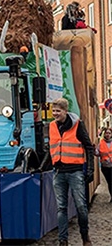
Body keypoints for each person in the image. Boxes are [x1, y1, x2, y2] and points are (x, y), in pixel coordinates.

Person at [49, 98, 93, 246]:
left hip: (75, 172)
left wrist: (90, 169)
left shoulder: (77, 125)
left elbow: (89, 146)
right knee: (61, 208)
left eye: (58, 111)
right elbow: (53, 147)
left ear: (65, 111)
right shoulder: (52, 126)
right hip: (59, 172)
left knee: (81, 206)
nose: (55, 114)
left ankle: (85, 237)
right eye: (53, 111)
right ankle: (63, 240)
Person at [94, 127, 112, 202]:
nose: (107, 135)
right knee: (109, 182)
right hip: (105, 167)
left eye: (109, 133)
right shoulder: (101, 143)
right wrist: (93, 150)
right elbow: (97, 153)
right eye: (106, 133)